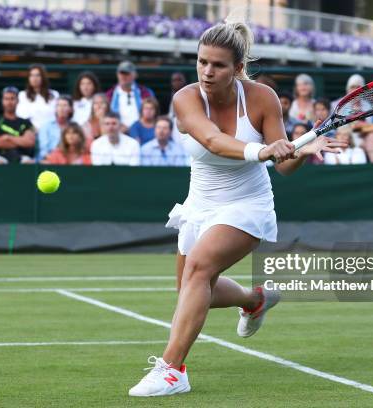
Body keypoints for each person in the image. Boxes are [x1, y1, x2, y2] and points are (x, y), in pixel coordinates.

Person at [128, 19, 344, 397]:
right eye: (202, 62)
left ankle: (173, 371)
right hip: (200, 204)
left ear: (238, 68)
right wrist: (262, 150)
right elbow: (212, 140)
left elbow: (284, 166)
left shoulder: (262, 98)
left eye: (218, 65)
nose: (207, 72)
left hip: (247, 204)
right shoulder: (185, 98)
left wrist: (303, 151)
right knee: (189, 289)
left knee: (197, 269)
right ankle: (255, 299)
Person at [332, 74, 373, 163]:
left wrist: (359, 126)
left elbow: (368, 127)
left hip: (362, 135)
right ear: (348, 89)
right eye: (352, 87)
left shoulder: (368, 106)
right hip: (344, 136)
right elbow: (339, 128)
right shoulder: (337, 105)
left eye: (358, 87)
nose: (355, 90)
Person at [0, 86, 36, 164]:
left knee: (29, 162)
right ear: (2, 101)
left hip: (21, 156)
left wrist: (8, 137)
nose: (9, 102)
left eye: (12, 98)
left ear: (17, 101)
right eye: (6, 99)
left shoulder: (26, 122)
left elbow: (29, 142)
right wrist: (20, 141)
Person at [106, 61, 155, 133]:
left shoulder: (145, 93)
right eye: (121, 73)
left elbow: (153, 114)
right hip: (117, 132)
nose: (123, 76)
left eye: (127, 73)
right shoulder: (109, 95)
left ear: (135, 75)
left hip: (141, 132)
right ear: (117, 74)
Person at [16, 64, 59, 131]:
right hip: (29, 133)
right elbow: (21, 116)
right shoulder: (22, 95)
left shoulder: (54, 94)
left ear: (43, 77)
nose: (34, 78)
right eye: (31, 75)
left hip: (50, 132)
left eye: (38, 75)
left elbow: (56, 116)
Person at [36, 95, 73, 162]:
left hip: (69, 160)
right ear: (55, 109)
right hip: (50, 159)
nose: (61, 108)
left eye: (65, 105)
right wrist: (56, 159)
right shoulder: (46, 126)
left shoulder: (75, 127)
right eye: (59, 105)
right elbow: (43, 151)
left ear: (70, 109)